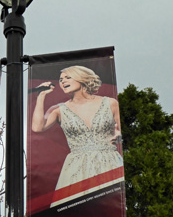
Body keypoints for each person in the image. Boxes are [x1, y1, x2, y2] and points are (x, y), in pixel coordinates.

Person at [32, 65, 123, 208]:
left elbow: (121, 129)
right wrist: (41, 95)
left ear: (82, 79)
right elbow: (37, 127)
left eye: (68, 77)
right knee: (75, 212)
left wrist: (119, 134)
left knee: (110, 209)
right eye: (61, 79)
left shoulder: (110, 103)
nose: (63, 82)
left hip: (109, 162)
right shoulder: (58, 109)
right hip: (76, 166)